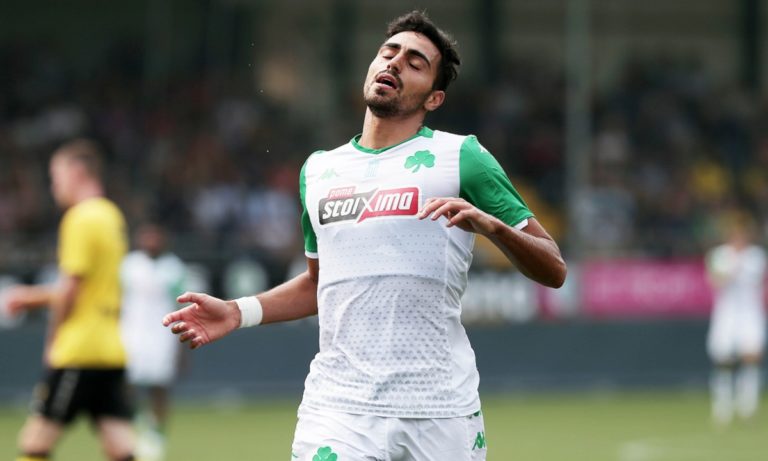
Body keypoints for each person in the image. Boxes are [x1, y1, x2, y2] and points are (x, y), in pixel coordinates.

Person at [163, 10, 566, 461]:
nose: (395, 62)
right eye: (388, 52)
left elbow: (553, 267)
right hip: (339, 407)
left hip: (440, 409)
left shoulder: (461, 157)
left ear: (434, 98)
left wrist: (492, 227)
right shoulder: (319, 170)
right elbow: (318, 284)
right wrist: (239, 312)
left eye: (415, 62)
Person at [5, 139, 137, 461]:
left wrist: (51, 341)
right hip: (110, 348)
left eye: (56, 177)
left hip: (79, 350)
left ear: (77, 173)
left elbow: (70, 290)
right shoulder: (111, 215)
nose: (54, 187)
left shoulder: (80, 218)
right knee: (120, 446)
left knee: (35, 443)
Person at [120, 222, 187, 461]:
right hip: (131, 334)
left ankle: (157, 436)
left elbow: (181, 307)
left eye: (155, 236)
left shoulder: (174, 268)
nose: (151, 241)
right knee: (127, 385)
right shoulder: (128, 266)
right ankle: (139, 424)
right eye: (146, 236)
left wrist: (182, 348)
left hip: (162, 336)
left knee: (159, 388)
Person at [706, 212, 766, 426]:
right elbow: (716, 281)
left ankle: (747, 405)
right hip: (727, 313)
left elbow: (757, 280)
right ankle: (722, 405)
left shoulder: (757, 256)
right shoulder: (719, 255)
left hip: (750, 312)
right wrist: (730, 270)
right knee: (723, 359)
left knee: (751, 356)